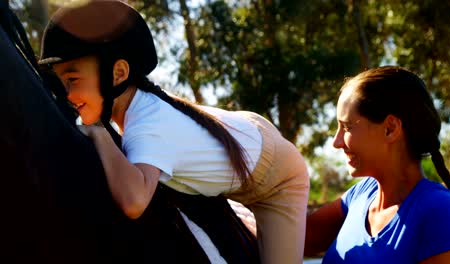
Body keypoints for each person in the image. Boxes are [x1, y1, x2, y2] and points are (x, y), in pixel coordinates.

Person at [39, 1, 310, 263]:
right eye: (61, 82)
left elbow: (134, 202)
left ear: (118, 73)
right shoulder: (140, 110)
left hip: (277, 178)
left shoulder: (147, 127)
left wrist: (99, 133)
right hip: (246, 136)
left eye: (72, 80)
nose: (66, 94)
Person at [305, 66, 450, 263]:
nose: (336, 142)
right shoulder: (360, 195)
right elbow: (294, 238)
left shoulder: (441, 212)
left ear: (390, 129)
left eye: (347, 127)